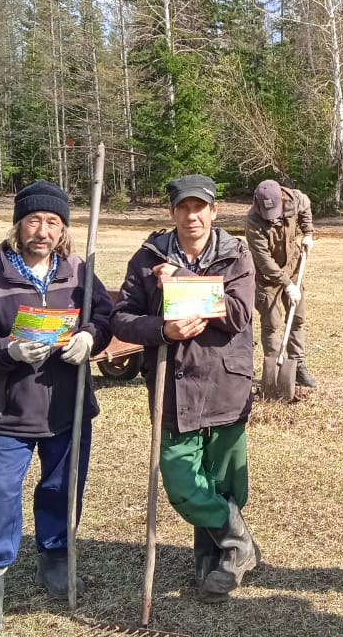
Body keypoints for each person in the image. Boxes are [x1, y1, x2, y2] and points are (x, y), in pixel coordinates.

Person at [0, 180, 114, 635]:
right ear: (19, 224)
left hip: (69, 406)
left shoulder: (79, 272)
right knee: (1, 494)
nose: (43, 231)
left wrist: (90, 336)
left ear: (63, 230)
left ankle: (55, 559)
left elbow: (104, 316)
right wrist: (8, 351)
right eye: (35, 220)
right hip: (11, 412)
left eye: (53, 222)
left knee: (63, 489)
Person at [110, 174, 259, 603]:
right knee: (182, 481)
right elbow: (122, 318)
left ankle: (215, 560)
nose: (192, 216)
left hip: (226, 383)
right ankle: (239, 541)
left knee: (225, 481)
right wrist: (162, 328)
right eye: (183, 208)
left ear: (214, 212)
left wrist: (183, 281)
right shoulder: (147, 258)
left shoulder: (236, 254)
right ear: (172, 212)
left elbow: (237, 313)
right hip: (172, 387)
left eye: (201, 208)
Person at [245, 179, 317, 390]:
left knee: (297, 318)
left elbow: (306, 209)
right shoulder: (253, 221)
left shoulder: (295, 199)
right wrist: (286, 284)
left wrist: (308, 233)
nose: (273, 217)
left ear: (282, 199)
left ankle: (298, 365)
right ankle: (274, 369)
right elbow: (264, 261)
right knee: (271, 324)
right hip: (268, 278)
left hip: (294, 267)